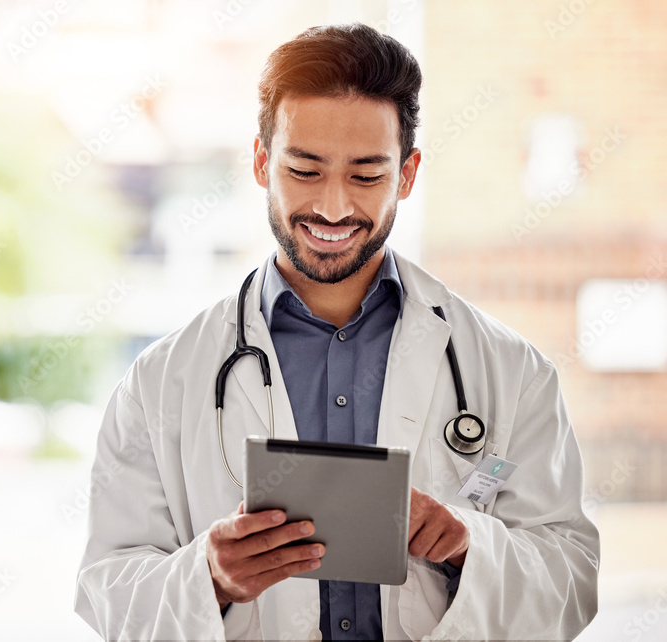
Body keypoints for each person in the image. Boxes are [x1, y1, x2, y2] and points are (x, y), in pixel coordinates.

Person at [74, 23, 599, 641]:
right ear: (261, 161)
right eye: (304, 169)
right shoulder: (161, 381)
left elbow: (572, 579)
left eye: (367, 175)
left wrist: (469, 545)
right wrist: (208, 576)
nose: (332, 207)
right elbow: (107, 589)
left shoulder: (513, 372)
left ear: (407, 174)